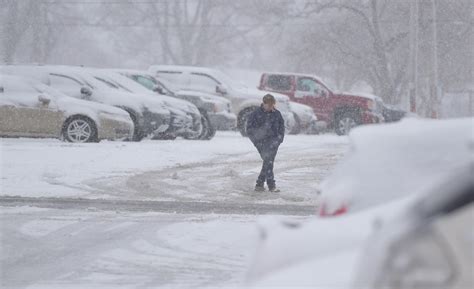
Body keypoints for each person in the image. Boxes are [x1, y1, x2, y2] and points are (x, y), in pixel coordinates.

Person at [246, 94, 285, 192]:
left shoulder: (277, 114)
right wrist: (257, 142)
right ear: (264, 103)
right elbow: (250, 130)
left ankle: (259, 183)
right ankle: (271, 185)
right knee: (268, 161)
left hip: (274, 143)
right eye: (269, 105)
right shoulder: (255, 114)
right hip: (261, 143)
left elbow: (281, 128)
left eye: (272, 105)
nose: (271, 107)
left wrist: (279, 140)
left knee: (268, 162)